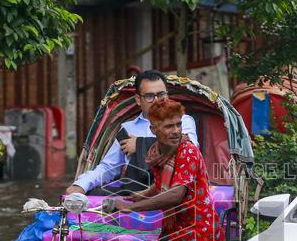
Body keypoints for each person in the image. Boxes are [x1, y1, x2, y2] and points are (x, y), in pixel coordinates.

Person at [103, 98, 225, 241]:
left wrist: (130, 208)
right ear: (154, 130)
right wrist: (137, 197)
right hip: (175, 239)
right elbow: (160, 186)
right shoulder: (157, 154)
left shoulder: (187, 151)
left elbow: (175, 194)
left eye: (178, 124)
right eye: (169, 126)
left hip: (202, 237)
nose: (176, 131)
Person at [66, 70, 198, 195]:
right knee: (91, 195)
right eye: (150, 96)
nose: (157, 101)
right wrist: (81, 185)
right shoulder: (127, 128)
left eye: (161, 95)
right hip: (134, 191)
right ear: (138, 99)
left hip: (173, 188)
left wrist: (139, 144)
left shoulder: (183, 120)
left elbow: (188, 148)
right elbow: (108, 167)